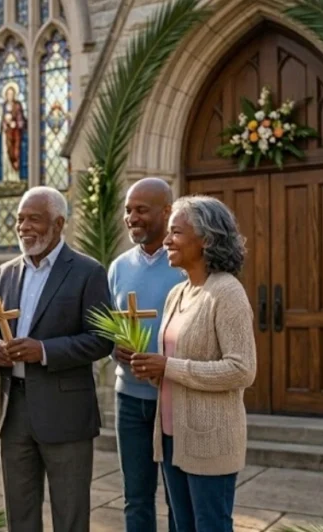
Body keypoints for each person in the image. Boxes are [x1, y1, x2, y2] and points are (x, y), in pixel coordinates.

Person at [0, 186, 113, 532]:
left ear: (58, 224)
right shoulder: (5, 272)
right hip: (12, 411)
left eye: (34, 220)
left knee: (70, 516)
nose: (24, 227)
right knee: (20, 515)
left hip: (65, 413)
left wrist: (43, 351)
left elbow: (102, 340)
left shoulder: (88, 272)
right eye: (19, 219)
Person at [130, 195, 256, 532]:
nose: (167, 241)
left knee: (210, 526)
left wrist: (168, 367)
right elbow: (174, 365)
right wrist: (152, 371)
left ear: (206, 240)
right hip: (172, 436)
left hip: (210, 440)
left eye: (176, 232)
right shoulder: (177, 294)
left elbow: (242, 369)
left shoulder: (227, 292)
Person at [108, 179, 184, 532]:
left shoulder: (185, 265)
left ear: (167, 211)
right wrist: (114, 348)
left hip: (174, 398)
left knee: (178, 498)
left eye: (141, 210)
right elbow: (108, 327)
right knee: (136, 497)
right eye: (128, 210)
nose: (132, 217)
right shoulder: (118, 267)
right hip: (129, 399)